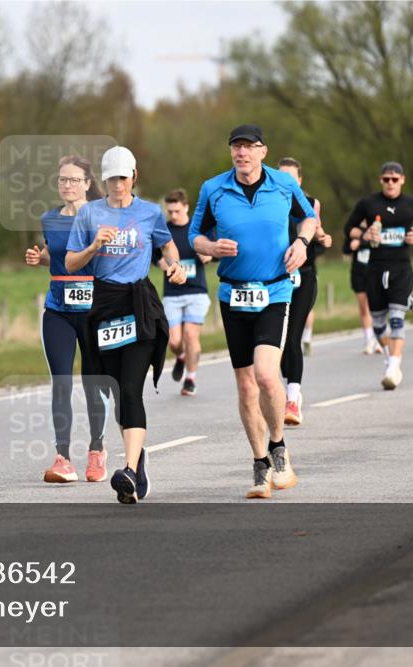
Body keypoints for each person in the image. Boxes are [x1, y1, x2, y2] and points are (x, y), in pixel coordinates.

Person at [190, 125, 317, 499]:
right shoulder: (213, 189)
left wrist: (303, 242)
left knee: (265, 375)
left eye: (248, 147)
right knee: (245, 386)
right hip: (233, 296)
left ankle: (278, 446)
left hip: (275, 290)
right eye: (236, 147)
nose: (241, 153)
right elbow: (194, 235)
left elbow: (308, 218)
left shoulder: (283, 185)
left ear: (263, 151)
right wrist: (210, 248)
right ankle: (260, 463)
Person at [65, 146, 186, 504]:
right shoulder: (89, 213)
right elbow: (72, 263)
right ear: (104, 180)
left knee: (132, 387)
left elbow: (168, 248)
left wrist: (175, 267)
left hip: (139, 304)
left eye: (124, 177)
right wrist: (93, 247)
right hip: (103, 306)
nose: (118, 184)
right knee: (117, 393)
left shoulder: (149, 213)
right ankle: (139, 459)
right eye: (112, 178)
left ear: (134, 176)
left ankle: (129, 472)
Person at [25, 155, 110, 483]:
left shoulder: (102, 216)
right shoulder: (50, 217)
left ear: (88, 183)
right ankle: (63, 458)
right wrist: (40, 257)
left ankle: (96, 450)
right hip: (58, 309)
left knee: (93, 383)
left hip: (94, 310)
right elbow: (55, 256)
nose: (67, 185)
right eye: (62, 179)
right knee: (60, 383)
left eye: (74, 179)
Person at [344, 162, 413, 389]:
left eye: (394, 179)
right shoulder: (368, 203)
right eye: (386, 179)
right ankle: (390, 359)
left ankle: (393, 367)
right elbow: (349, 228)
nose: (390, 183)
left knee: (396, 319)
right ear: (380, 180)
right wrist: (366, 233)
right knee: (378, 323)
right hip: (374, 269)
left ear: (402, 179)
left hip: (401, 268)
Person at [277, 158, 333, 426]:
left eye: (291, 178)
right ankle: (289, 388)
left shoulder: (310, 202)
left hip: (304, 277)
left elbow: (317, 228)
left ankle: (292, 396)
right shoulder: (269, 202)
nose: (286, 182)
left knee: (293, 337)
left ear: (299, 181)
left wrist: (322, 237)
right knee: (278, 342)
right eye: (281, 177)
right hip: (275, 279)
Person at [152, 188, 212, 397]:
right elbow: (154, 255)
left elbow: (213, 249)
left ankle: (190, 379)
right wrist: (162, 263)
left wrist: (208, 256)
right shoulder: (164, 230)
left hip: (196, 291)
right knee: (174, 341)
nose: (173, 215)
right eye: (170, 211)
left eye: (177, 210)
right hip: (173, 293)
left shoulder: (197, 229)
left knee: (190, 334)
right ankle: (181, 356)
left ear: (186, 207)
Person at [343, 215, 380, 354]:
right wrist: (352, 245)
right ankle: (369, 339)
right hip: (358, 273)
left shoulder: (376, 230)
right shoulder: (354, 232)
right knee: (364, 307)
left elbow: (380, 246)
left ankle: (378, 339)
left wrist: (362, 243)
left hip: (374, 272)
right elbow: (345, 249)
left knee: (375, 307)